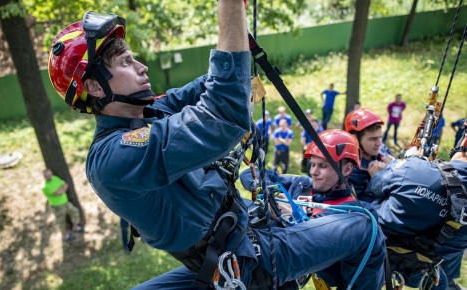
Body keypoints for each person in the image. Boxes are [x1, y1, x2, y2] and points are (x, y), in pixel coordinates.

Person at [48, 5, 385, 289]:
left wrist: (236, 29)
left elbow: (205, 88)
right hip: (248, 263)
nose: (141, 67)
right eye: (124, 62)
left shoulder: (146, 115)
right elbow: (222, 113)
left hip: (233, 246)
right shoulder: (114, 158)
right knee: (366, 228)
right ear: (93, 86)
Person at [240, 129, 386, 289]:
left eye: (322, 166)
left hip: (278, 269)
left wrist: (291, 215)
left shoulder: (355, 213)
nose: (313, 172)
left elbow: (329, 263)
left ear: (346, 169)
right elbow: (250, 173)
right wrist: (270, 193)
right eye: (313, 164)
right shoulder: (302, 185)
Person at [366, 132, 467, 290]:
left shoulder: (414, 168)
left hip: (374, 252)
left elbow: (376, 185)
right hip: (419, 269)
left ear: (464, 140)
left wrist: (402, 164)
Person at [344, 108, 394, 201]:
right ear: (355, 139)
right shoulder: (350, 170)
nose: (379, 143)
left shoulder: (382, 149)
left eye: (380, 137)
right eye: (373, 139)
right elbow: (362, 207)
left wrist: (395, 166)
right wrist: (376, 179)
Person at [41, 169, 83, 241]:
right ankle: (64, 235)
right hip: (57, 206)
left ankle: (75, 227)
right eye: (48, 175)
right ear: (44, 176)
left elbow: (65, 185)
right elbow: (56, 193)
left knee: (74, 211)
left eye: (50, 174)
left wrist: (61, 189)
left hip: (65, 202)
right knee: (61, 221)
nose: (50, 176)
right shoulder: (45, 186)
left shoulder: (55, 178)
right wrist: (62, 189)